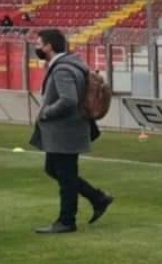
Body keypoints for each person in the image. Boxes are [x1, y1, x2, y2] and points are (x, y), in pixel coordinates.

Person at [29, 28, 114, 234]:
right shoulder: (71, 64)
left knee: (66, 175)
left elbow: (68, 100)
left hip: (65, 131)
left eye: (39, 44)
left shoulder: (62, 69)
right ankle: (97, 198)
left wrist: (46, 112)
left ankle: (67, 220)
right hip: (67, 130)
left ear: (49, 46)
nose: (36, 48)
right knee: (54, 169)